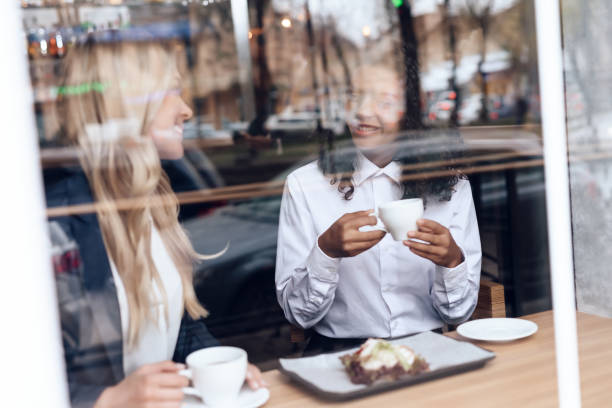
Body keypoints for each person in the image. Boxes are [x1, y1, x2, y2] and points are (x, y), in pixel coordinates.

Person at [45, 38, 264, 408]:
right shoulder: (58, 222)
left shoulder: (150, 202)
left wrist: (220, 366)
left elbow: (173, 328)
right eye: (172, 92)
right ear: (128, 103)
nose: (187, 110)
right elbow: (21, 369)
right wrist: (108, 400)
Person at [275, 65, 482, 354]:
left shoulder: (452, 185)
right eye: (354, 98)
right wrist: (326, 252)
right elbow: (299, 316)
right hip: (339, 352)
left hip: (428, 350)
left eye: (383, 102)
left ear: (411, 115)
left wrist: (451, 261)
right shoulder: (304, 186)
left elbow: (458, 315)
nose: (362, 112)